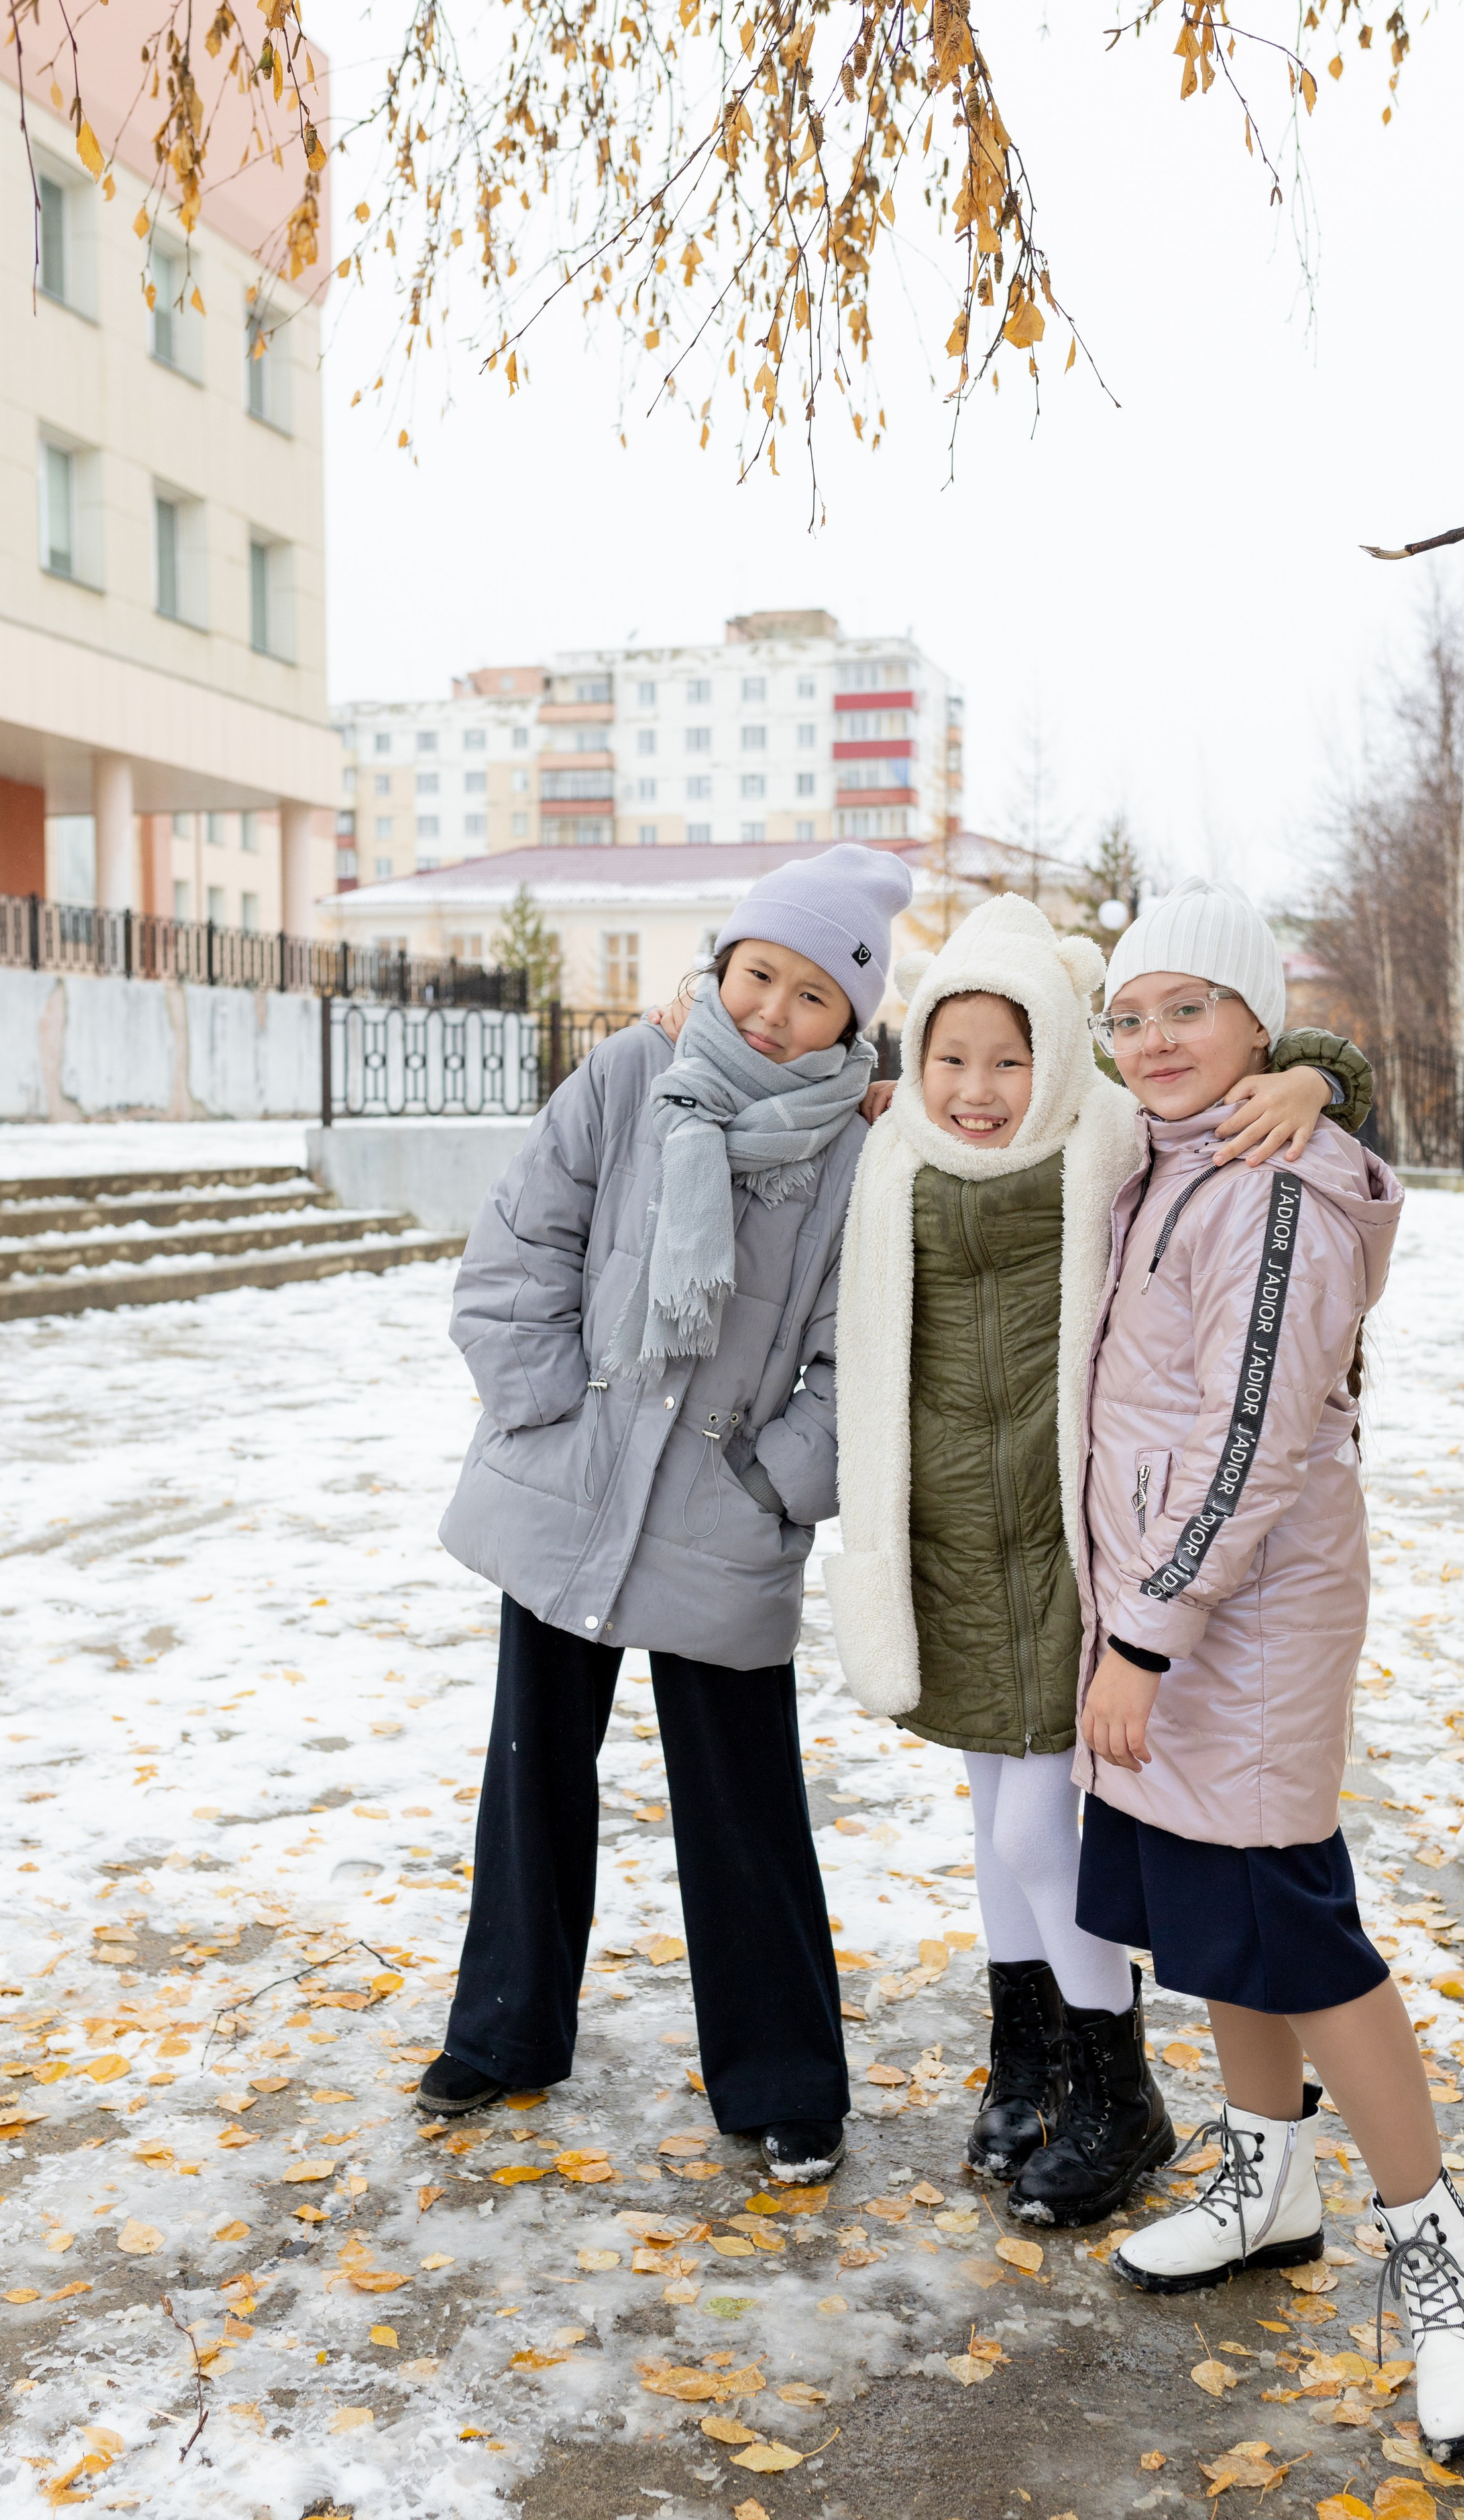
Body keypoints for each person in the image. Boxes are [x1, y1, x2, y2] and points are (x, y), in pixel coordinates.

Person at [826, 893, 1375, 2227]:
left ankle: (1115, 2083)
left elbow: (1237, 1072)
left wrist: (1317, 1072)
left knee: (1036, 1825)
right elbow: (771, 1073)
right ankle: (1027, 2060)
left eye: (1009, 1058)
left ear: (1061, 1057)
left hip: (1074, 1542)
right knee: (988, 1823)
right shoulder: (894, 1146)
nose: (975, 1089)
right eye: (949, 1059)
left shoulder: (1109, 1133)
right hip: (949, 1540)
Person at [1074, 877, 1464, 2460]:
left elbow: (1247, 1437)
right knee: (1205, 1901)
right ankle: (1268, 2173)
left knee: (1293, 1923)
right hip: (1171, 1603)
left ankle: (1442, 2245)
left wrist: (1144, 1633)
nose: (1149, 1041)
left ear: (1253, 1020)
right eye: (1126, 1015)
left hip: (1232, 1624)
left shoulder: (1272, 1185)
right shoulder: (1168, 1156)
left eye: (1185, 1008)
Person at [418, 843, 914, 2186]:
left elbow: (856, 1356)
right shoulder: (634, 1073)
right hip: (570, 1483)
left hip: (720, 1514)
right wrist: (540, 1408)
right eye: (757, 974)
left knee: (742, 1803)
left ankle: (782, 2077)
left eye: (812, 997)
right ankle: (506, 2029)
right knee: (531, 1770)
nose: (771, 1011)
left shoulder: (860, 1149)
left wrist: (774, 1484)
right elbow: (520, 1240)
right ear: (720, 963)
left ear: (852, 1019)